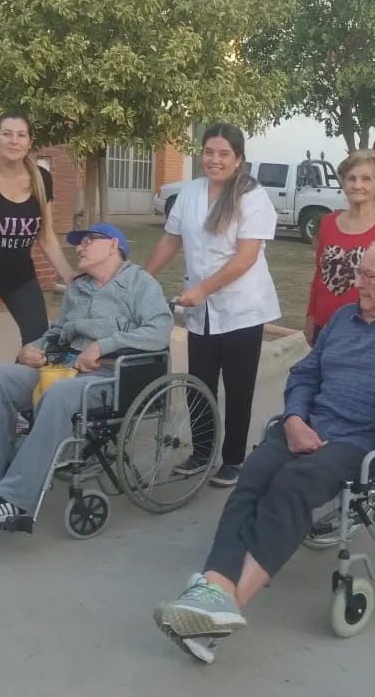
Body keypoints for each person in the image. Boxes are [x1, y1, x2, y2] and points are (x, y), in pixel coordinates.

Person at [153, 240, 375, 663]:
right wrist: (293, 418)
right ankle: (212, 591)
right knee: (253, 476)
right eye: (359, 273)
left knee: (291, 485)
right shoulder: (343, 318)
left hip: (365, 440)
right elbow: (305, 374)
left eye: (368, 275)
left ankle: (227, 604)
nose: (356, 282)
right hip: (307, 426)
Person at [0, 223, 172, 524]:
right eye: (78, 243)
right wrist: (32, 348)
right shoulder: (79, 288)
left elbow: (159, 332)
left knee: (59, 395)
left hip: (113, 376)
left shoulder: (140, 284)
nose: (79, 248)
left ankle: (15, 497)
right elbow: (58, 332)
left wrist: (103, 346)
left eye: (87, 241)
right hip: (63, 368)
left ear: (113, 245)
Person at [145, 123, 280, 488]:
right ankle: (202, 452)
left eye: (224, 154)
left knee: (238, 388)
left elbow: (247, 256)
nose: (214, 160)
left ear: (238, 159)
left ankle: (233, 459)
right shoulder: (189, 193)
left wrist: (204, 288)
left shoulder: (252, 197)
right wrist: (140, 278)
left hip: (242, 309)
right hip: (200, 309)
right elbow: (170, 242)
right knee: (198, 383)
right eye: (209, 152)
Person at [0, 111, 76, 414]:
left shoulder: (40, 179)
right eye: (7, 133)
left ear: (30, 141)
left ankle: (17, 404)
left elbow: (46, 237)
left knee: (38, 344)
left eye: (21, 134)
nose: (14, 140)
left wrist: (71, 277)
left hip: (19, 274)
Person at [304, 149, 375, 346]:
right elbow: (320, 273)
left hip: (368, 332)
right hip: (324, 327)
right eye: (351, 178)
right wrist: (311, 315)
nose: (357, 185)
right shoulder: (328, 222)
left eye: (366, 179)